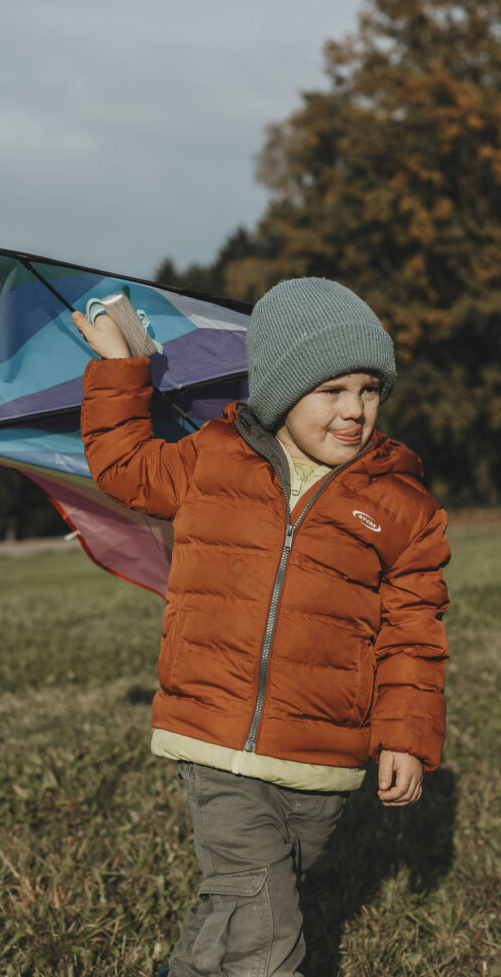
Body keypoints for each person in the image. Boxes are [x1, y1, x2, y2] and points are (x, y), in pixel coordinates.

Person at [71, 277, 449, 977]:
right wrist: (120, 368)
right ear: (280, 389)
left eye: (368, 390)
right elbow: (124, 468)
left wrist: (403, 735)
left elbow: (412, 633)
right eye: (330, 391)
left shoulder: (402, 505)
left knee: (243, 900)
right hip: (213, 736)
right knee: (266, 931)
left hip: (322, 755)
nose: (354, 411)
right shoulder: (211, 460)